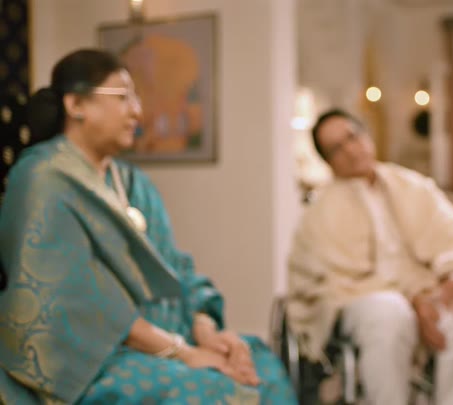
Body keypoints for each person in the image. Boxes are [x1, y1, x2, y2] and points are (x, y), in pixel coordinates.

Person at [0, 48, 297, 405]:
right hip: (89, 357)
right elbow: (81, 303)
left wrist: (205, 331)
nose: (137, 112)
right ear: (76, 105)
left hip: (165, 336)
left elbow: (174, 267)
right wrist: (183, 353)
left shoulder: (132, 183)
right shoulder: (41, 178)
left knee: (261, 366)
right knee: (214, 390)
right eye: (123, 97)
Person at [288, 109, 453, 404]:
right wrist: (415, 300)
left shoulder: (413, 186)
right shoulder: (320, 213)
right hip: (363, 297)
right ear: (328, 162)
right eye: (336, 149)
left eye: (352, 137)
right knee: (389, 313)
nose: (350, 150)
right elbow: (338, 280)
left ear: (366, 135)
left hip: (429, 287)